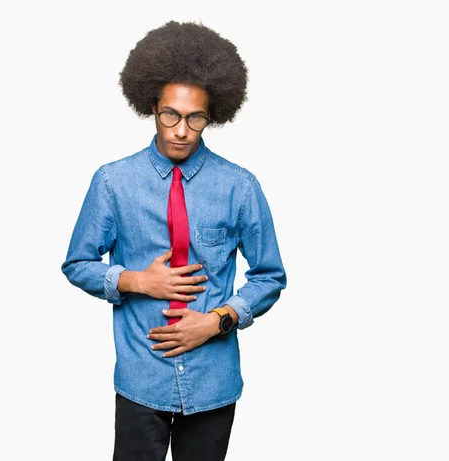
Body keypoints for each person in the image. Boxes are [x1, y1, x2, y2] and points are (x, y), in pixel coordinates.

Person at [61, 20, 287, 461]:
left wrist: (219, 319)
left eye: (195, 118)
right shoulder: (113, 182)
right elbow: (77, 263)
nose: (181, 130)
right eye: (171, 114)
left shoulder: (239, 186)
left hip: (213, 380)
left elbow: (270, 275)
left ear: (212, 116)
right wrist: (135, 281)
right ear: (152, 107)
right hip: (141, 378)